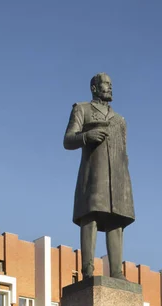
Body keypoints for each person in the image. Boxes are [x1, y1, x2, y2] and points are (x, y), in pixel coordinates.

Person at [63, 73, 134, 279]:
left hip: (118, 178)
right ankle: (88, 270)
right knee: (90, 216)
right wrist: (86, 136)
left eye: (111, 84)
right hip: (94, 175)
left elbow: (124, 152)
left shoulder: (120, 120)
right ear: (94, 88)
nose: (110, 88)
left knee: (116, 220)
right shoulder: (82, 109)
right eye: (105, 84)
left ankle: (116, 272)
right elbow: (68, 140)